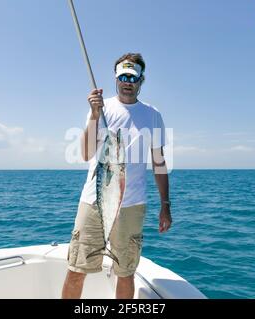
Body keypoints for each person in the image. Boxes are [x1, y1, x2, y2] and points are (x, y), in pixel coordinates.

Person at [61, 53, 172, 299]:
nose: (127, 82)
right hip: (94, 202)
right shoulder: (100, 109)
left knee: (125, 272)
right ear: (115, 79)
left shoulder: (152, 115)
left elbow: (159, 162)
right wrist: (92, 115)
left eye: (132, 77)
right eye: (123, 76)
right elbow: (85, 153)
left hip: (132, 205)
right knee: (77, 268)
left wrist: (165, 205)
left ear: (141, 80)